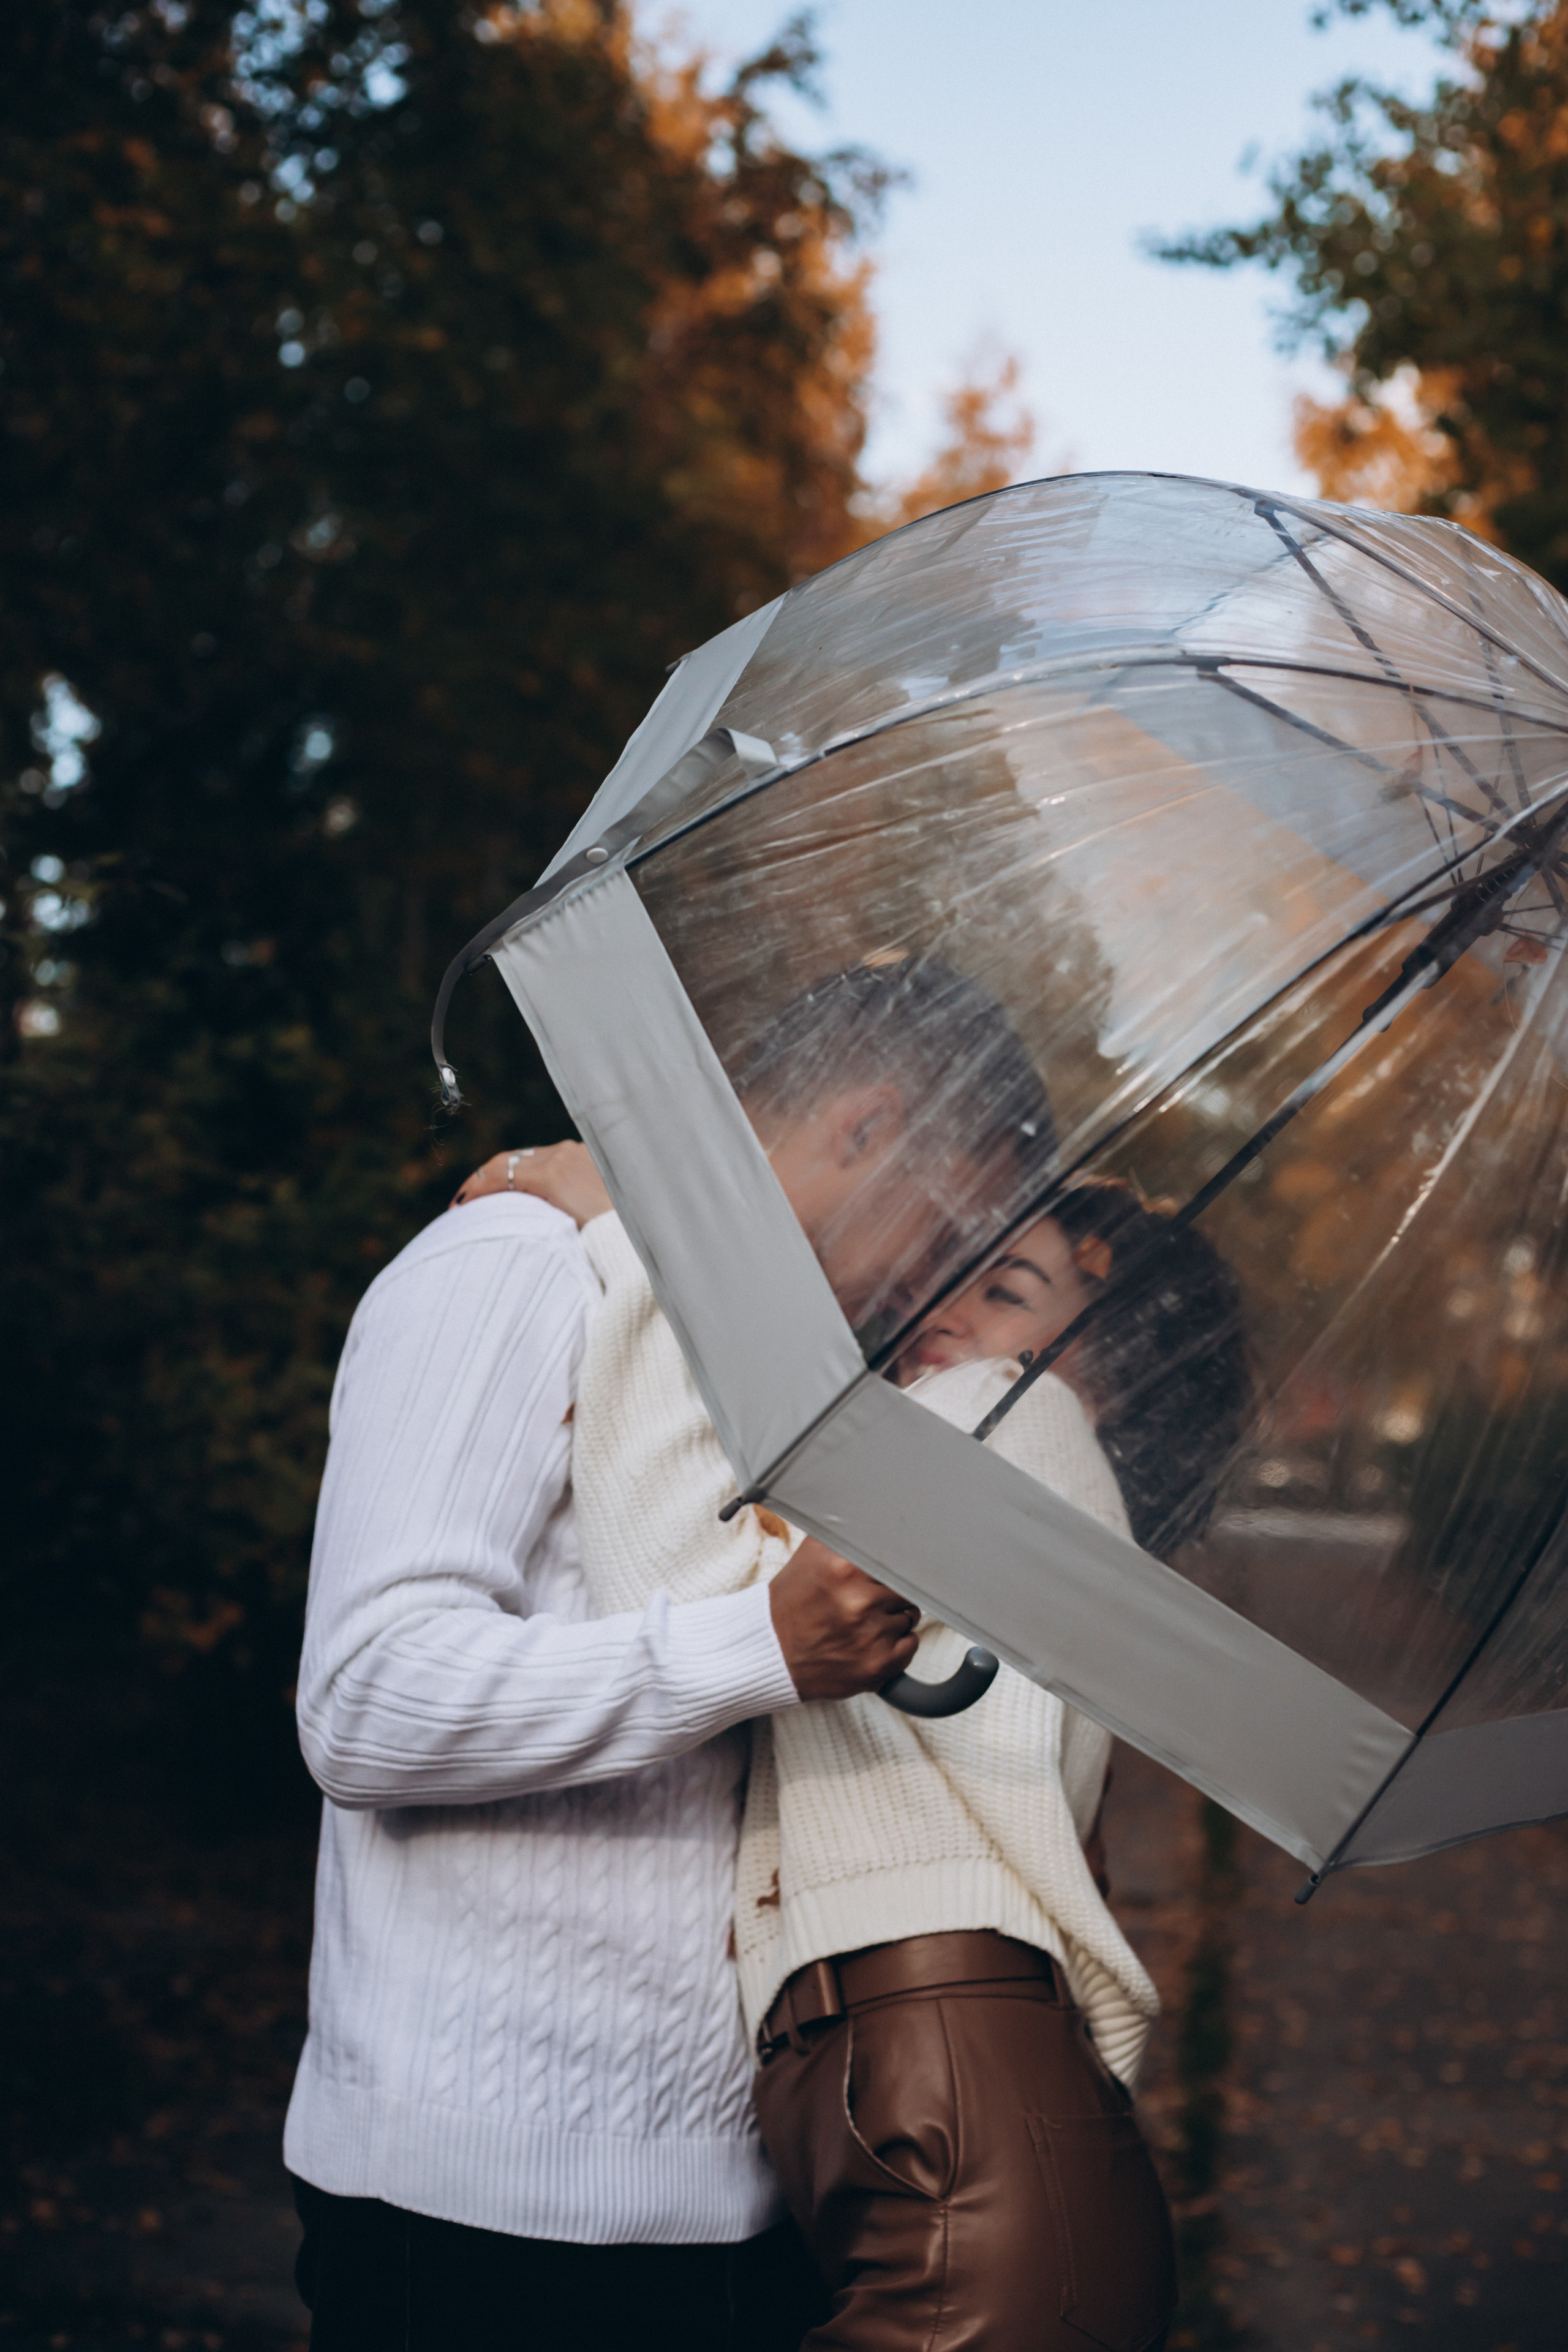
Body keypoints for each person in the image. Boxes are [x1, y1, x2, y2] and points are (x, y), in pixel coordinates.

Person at [283, 957, 1044, 2351]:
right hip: (484, 2215)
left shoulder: (788, 1374)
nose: (939, 1280)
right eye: (945, 1226)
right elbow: (364, 1702)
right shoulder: (513, 1271)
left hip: (752, 2212)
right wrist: (758, 1643)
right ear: (866, 1129)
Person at [473, 1000, 1249, 2352]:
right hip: (945, 2133)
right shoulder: (998, 1487)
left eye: (1005, 1293)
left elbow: (676, 1576)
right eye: (957, 1269)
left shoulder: (1011, 1423)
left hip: (954, 2137)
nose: (940, 1304)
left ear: (1106, 1379)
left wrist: (631, 1226)